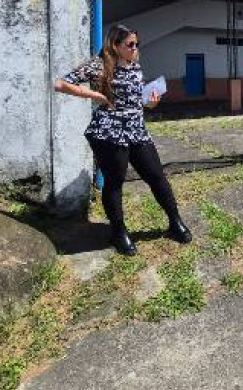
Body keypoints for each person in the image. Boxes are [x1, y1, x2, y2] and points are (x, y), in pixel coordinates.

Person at [54, 24, 191, 256]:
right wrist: (95, 95)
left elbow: (139, 101)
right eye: (130, 44)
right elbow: (60, 84)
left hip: (136, 130)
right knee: (115, 182)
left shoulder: (134, 65)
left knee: (157, 176)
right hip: (110, 131)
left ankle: (175, 222)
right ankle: (118, 232)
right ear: (115, 45)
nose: (135, 48)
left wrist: (152, 102)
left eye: (137, 44)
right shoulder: (98, 65)